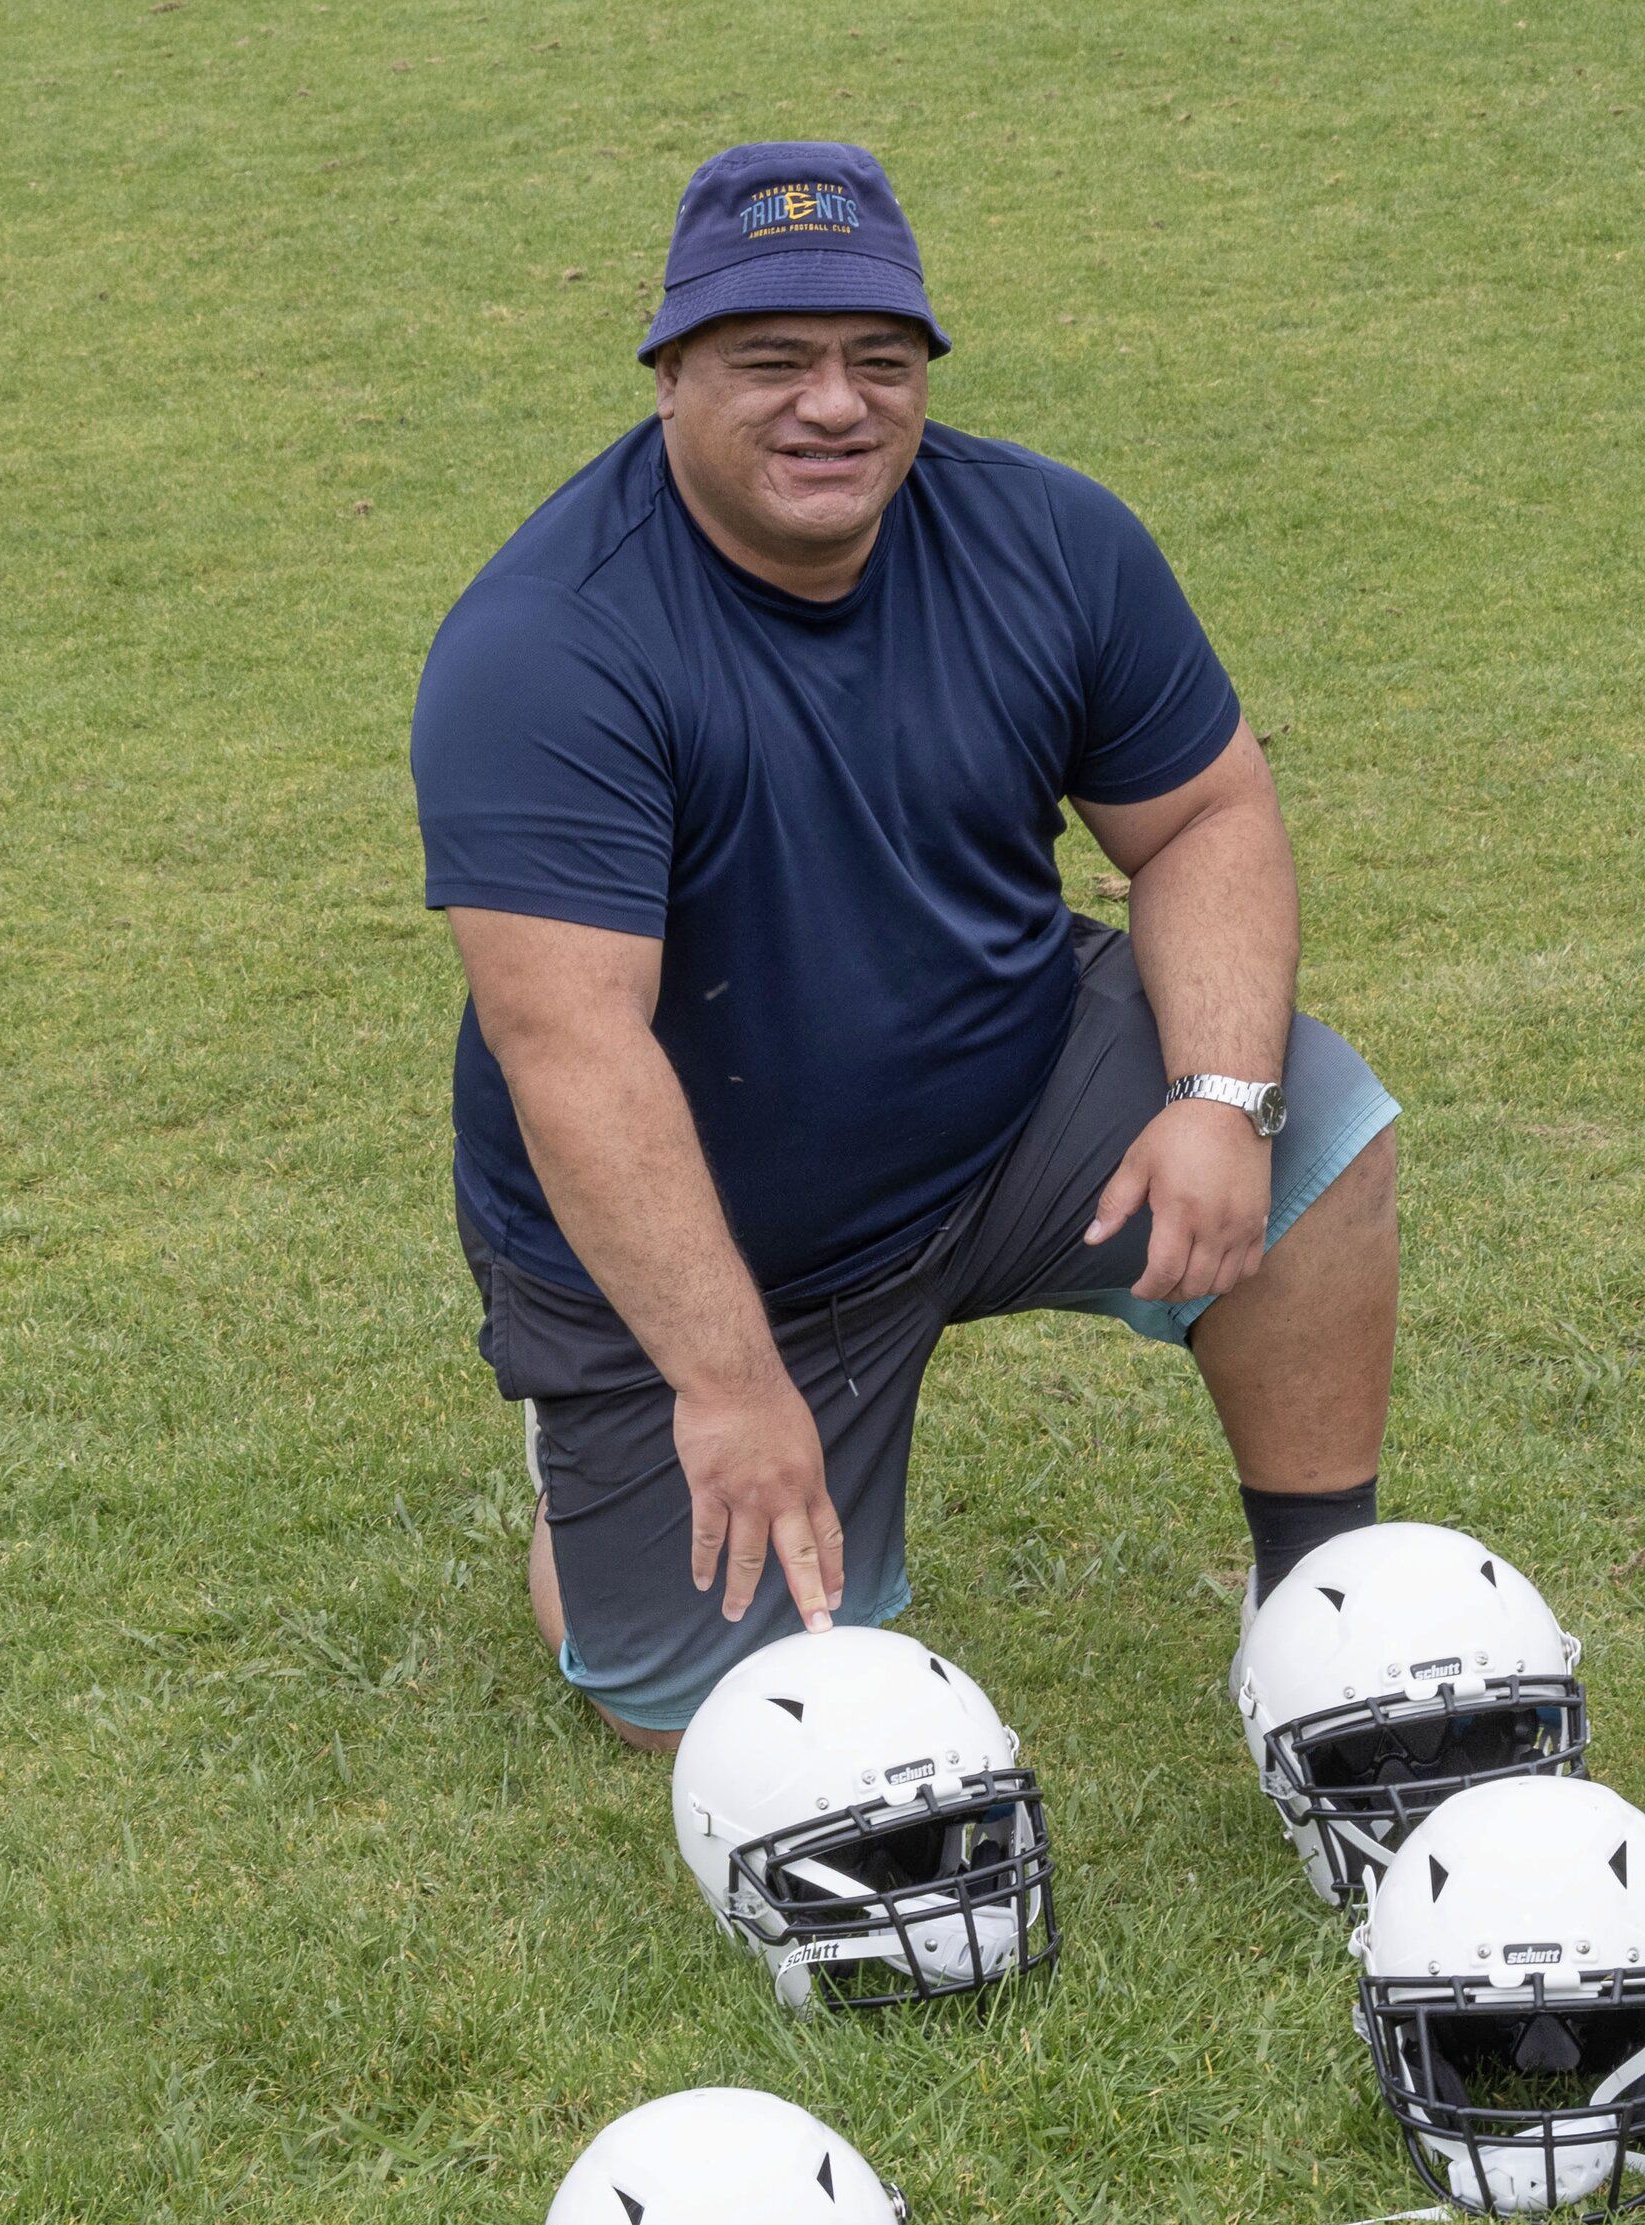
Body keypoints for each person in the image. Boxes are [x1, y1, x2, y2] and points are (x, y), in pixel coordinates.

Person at [412, 141, 1398, 1751]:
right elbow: (571, 1046)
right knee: (743, 1725)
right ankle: (625, 1447)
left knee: (1321, 1132)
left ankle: (1323, 1605)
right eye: (772, 361)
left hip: (1007, 1107)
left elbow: (1207, 817)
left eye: (880, 361)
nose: (834, 405)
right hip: (726, 1239)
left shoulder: (1050, 540)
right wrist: (725, 1385)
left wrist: (1220, 1095)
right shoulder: (549, 646)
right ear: (667, 374)